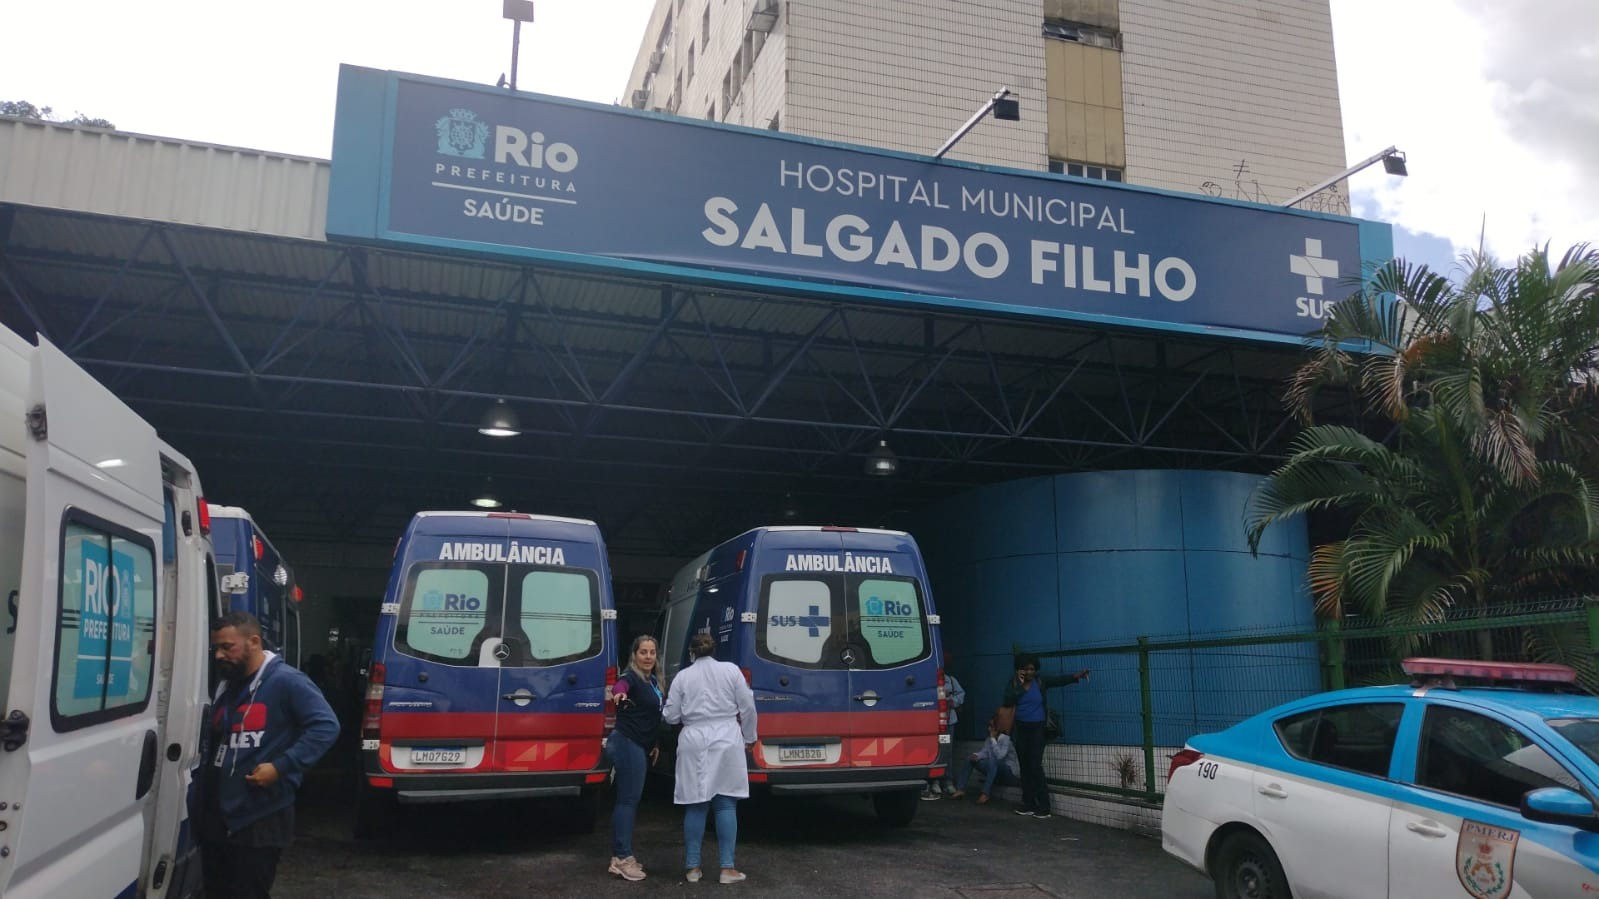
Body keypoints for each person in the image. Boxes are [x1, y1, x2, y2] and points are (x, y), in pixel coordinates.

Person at [202, 611, 340, 898]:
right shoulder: (228, 682)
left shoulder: (286, 681)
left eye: (228, 647)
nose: (219, 655)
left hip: (261, 815)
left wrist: (281, 767)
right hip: (219, 815)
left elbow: (326, 726)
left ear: (254, 642)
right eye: (216, 648)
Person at [661, 632, 757, 885]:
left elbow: (670, 716)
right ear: (714, 650)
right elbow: (747, 705)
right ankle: (727, 869)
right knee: (725, 803)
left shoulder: (682, 676)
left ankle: (692, 868)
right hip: (726, 738)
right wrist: (750, 736)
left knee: (696, 803)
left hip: (693, 739)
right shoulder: (731, 670)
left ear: (692, 652)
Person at [1000, 653, 1088, 819]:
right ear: (1020, 670)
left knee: (1035, 766)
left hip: (1037, 728)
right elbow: (1007, 700)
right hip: (1021, 729)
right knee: (1024, 768)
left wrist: (1075, 676)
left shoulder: (1040, 682)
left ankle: (1044, 806)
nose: (1029, 672)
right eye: (1026, 669)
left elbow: (1058, 680)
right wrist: (1019, 685)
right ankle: (1028, 803)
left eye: (1032, 669)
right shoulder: (1013, 683)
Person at [606, 635, 665, 882]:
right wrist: (618, 694)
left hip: (640, 745)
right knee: (628, 801)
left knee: (630, 799)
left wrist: (654, 744)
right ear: (634, 655)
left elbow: (650, 717)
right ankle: (621, 859)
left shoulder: (652, 681)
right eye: (643, 652)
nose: (648, 657)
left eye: (652, 652)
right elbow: (621, 687)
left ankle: (622, 855)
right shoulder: (631, 677)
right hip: (626, 742)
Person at [949, 715, 1019, 803]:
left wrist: (993, 739)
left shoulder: (1006, 740)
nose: (989, 729)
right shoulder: (989, 739)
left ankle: (985, 793)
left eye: (992, 727)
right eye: (989, 726)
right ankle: (960, 789)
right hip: (995, 771)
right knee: (970, 759)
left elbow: (1000, 756)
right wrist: (976, 756)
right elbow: (985, 752)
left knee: (994, 761)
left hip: (1009, 774)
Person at [924, 655, 965, 799]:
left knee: (946, 751)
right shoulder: (928, 681)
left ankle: (947, 781)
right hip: (932, 724)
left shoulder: (952, 681)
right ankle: (933, 781)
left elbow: (961, 695)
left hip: (948, 722)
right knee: (932, 752)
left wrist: (952, 700)